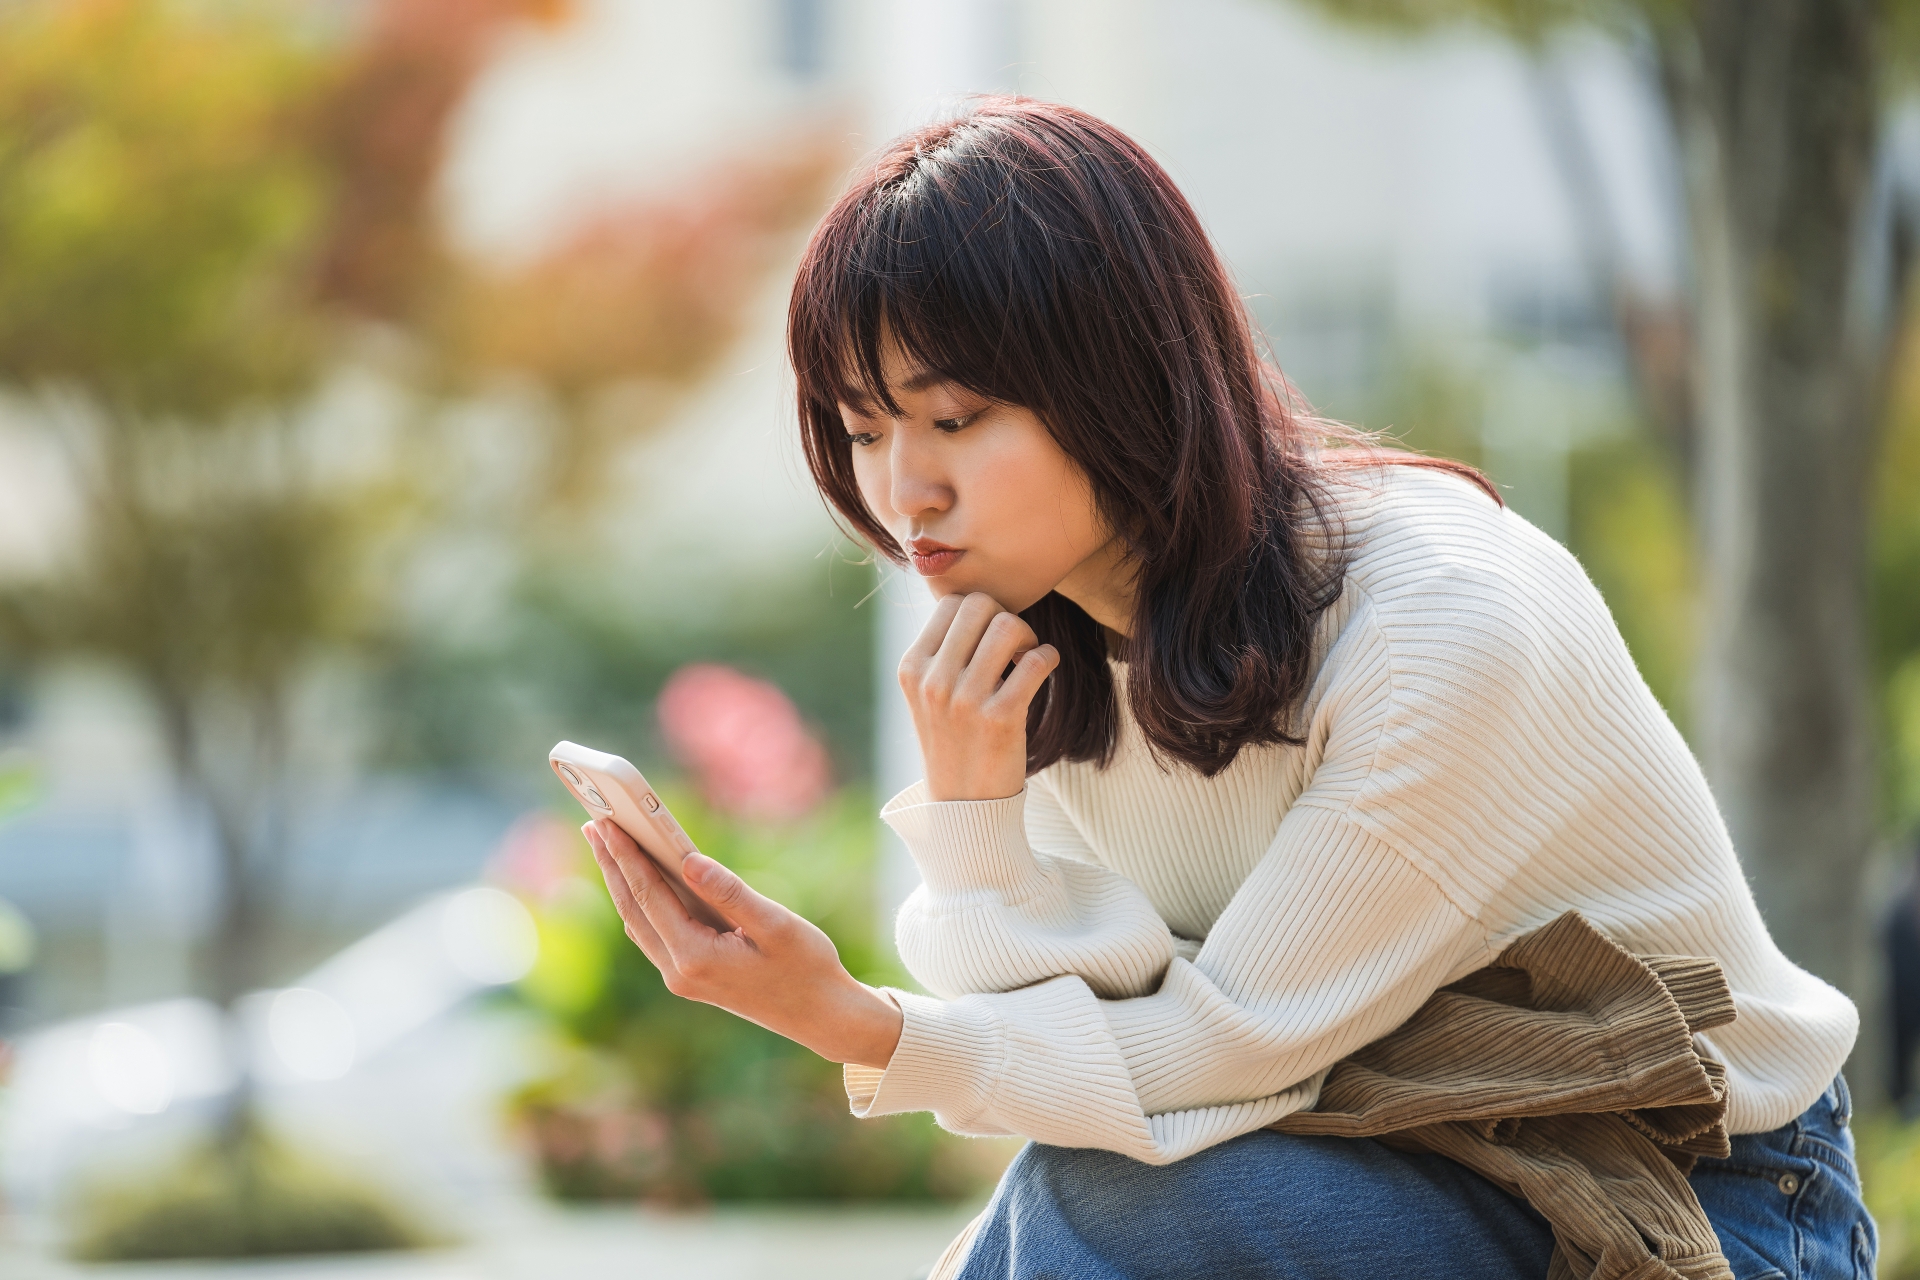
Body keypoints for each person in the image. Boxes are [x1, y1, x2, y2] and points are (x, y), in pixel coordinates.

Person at [582, 97, 1874, 1279]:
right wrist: (976, 815)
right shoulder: (1036, 645)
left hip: (1700, 1186)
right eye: (865, 430)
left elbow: (1218, 1050)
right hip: (1366, 1142)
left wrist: (858, 1024)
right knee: (1062, 1209)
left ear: (1117, 377)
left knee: (1094, 1213)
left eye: (956, 418)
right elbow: (1090, 1056)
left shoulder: (1438, 618)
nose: (903, 489)